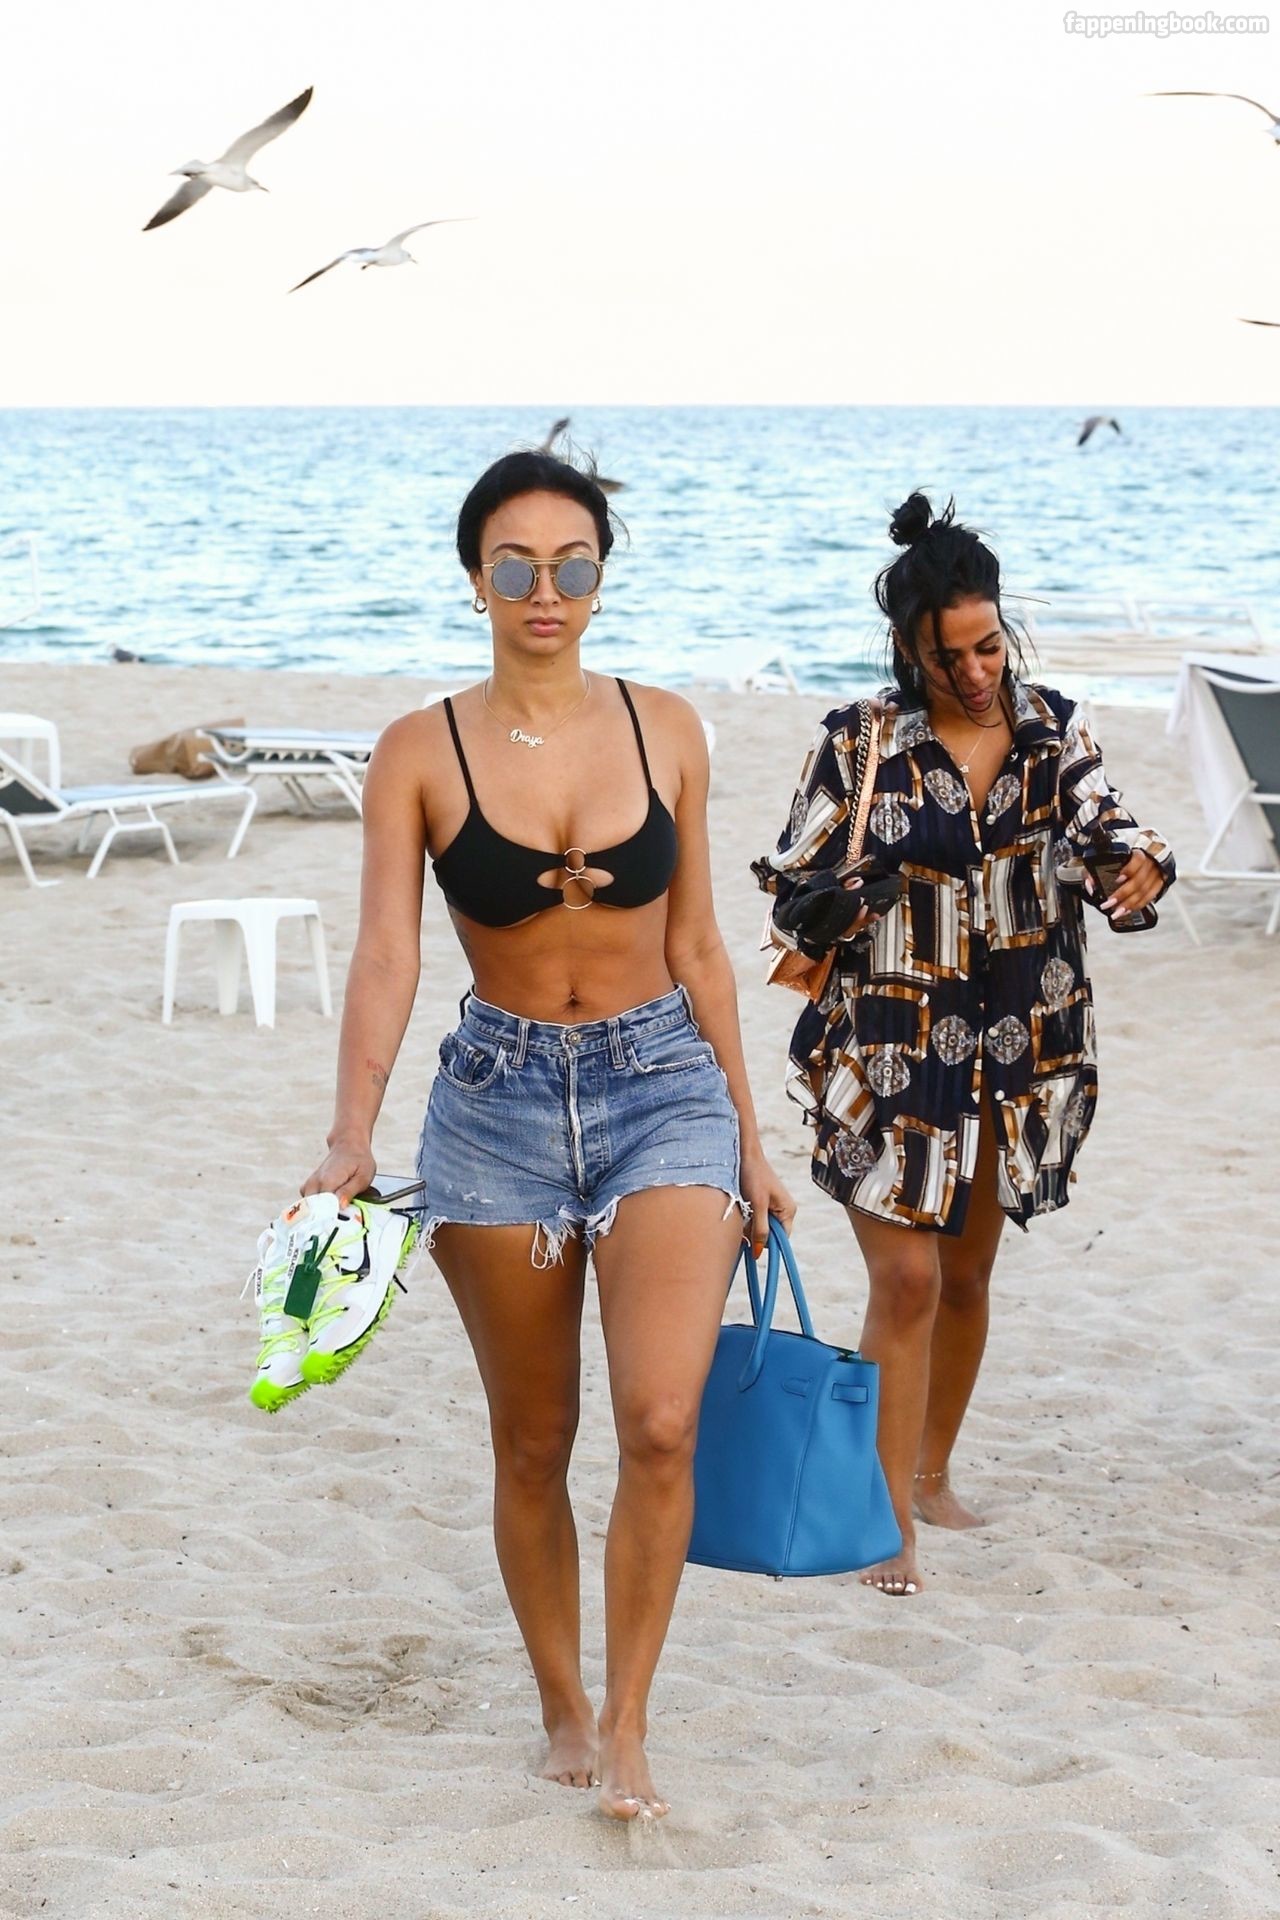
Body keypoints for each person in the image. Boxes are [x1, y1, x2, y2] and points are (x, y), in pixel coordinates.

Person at [304, 447, 793, 1820]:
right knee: (533, 1438)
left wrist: (750, 1139)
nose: (544, 590)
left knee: (662, 1418)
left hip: (664, 1087)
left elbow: (698, 946)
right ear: (475, 579)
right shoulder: (418, 750)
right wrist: (351, 1132)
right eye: (515, 565)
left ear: (599, 579)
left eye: (571, 565)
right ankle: (562, 1708)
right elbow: (388, 954)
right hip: (497, 1106)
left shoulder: (668, 728)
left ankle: (629, 1723)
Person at [754, 492, 1174, 1599]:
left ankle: (930, 1472)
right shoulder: (859, 743)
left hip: (1015, 1043)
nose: (979, 671)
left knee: (969, 1273)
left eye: (990, 645)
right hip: (889, 1047)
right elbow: (791, 888)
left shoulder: (1051, 732)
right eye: (953, 655)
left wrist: (1139, 867)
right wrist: (842, 900)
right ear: (909, 649)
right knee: (905, 1278)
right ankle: (881, 1516)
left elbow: (1108, 830)